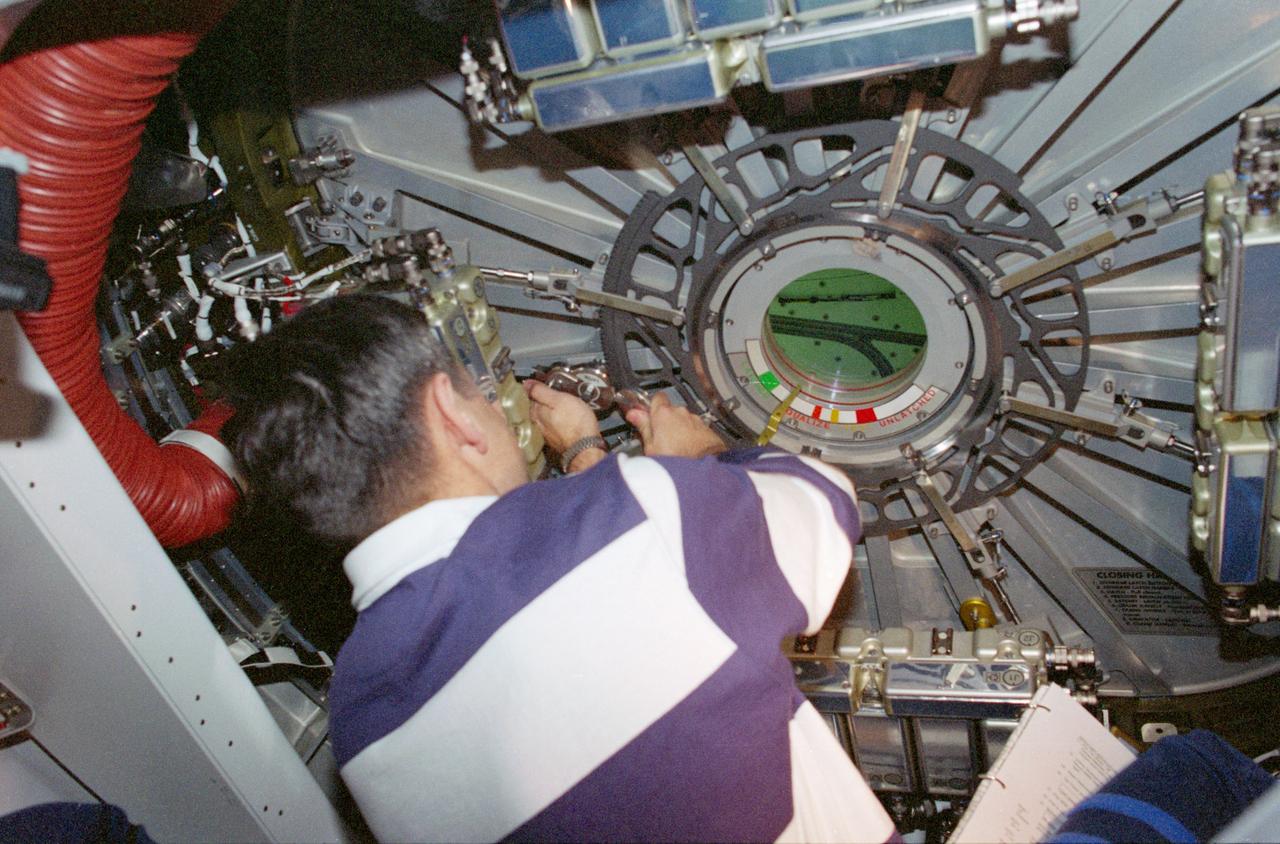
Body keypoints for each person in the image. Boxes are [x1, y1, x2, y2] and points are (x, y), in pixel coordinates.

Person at [223, 294, 897, 843]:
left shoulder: (360, 729)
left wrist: (591, 462)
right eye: (479, 391)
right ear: (452, 413)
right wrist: (697, 459)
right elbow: (826, 498)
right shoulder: (644, 517)